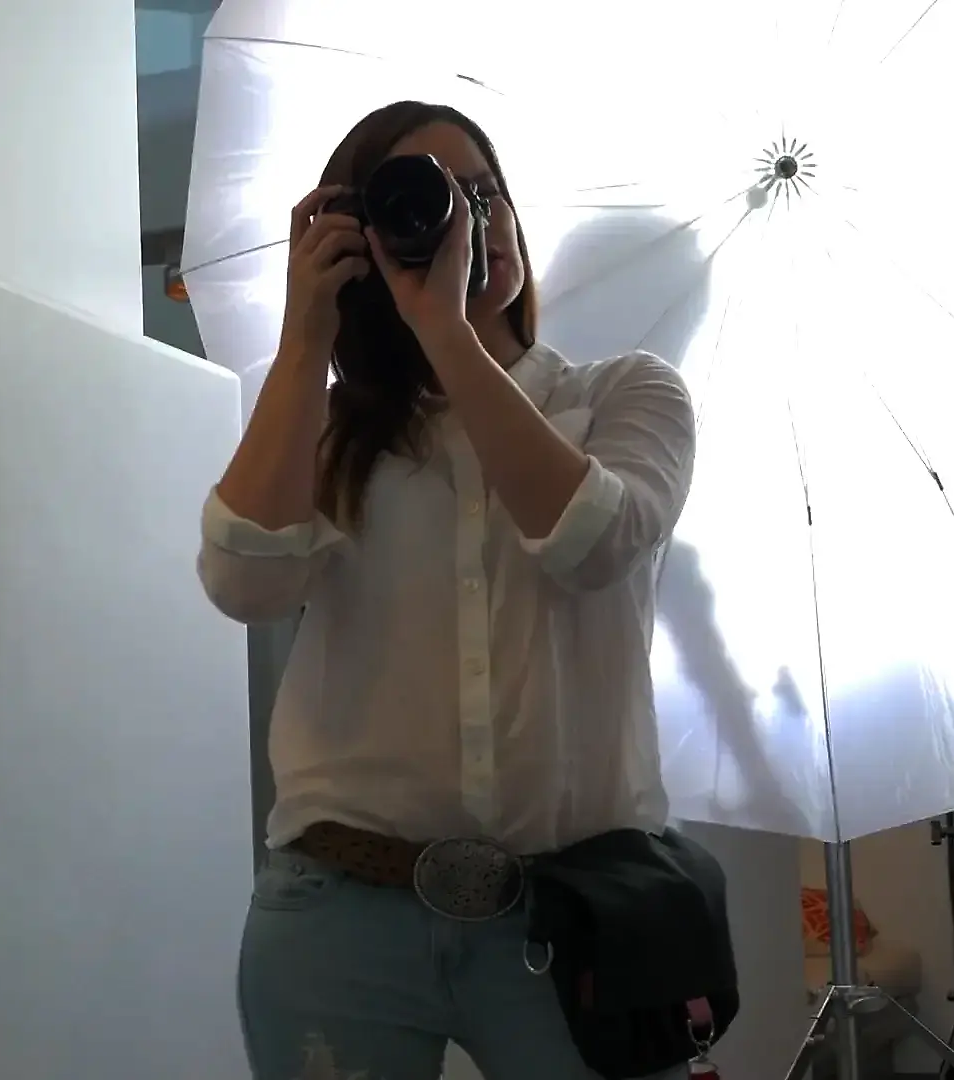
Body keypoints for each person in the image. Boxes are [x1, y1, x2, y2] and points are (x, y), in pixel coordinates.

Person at [196, 99, 700, 1080]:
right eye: (425, 199)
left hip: (579, 914)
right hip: (340, 911)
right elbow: (244, 581)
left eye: (483, 193)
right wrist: (304, 341)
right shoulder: (336, 431)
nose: (470, 219)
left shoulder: (624, 396)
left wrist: (448, 331)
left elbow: (590, 542)